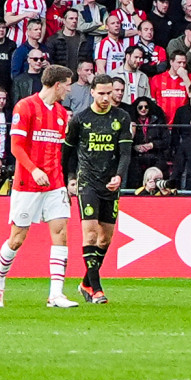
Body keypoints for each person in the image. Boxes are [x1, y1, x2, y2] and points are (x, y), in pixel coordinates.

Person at [0, 64, 76, 309]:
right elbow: (16, 146)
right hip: (27, 183)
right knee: (17, 239)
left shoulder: (60, 114)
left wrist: (64, 180)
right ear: (57, 85)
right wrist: (34, 169)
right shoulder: (25, 107)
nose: (69, 90)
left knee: (61, 233)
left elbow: (59, 151)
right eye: (68, 85)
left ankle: (56, 294)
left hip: (54, 184)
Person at [71, 73, 137, 306]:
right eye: (101, 93)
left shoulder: (122, 117)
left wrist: (119, 175)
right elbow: (68, 152)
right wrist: (70, 177)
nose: (106, 97)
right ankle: (96, 289)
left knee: (105, 238)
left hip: (111, 183)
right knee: (89, 234)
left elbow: (125, 152)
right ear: (92, 92)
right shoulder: (80, 119)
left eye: (110, 93)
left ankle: (85, 282)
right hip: (88, 182)